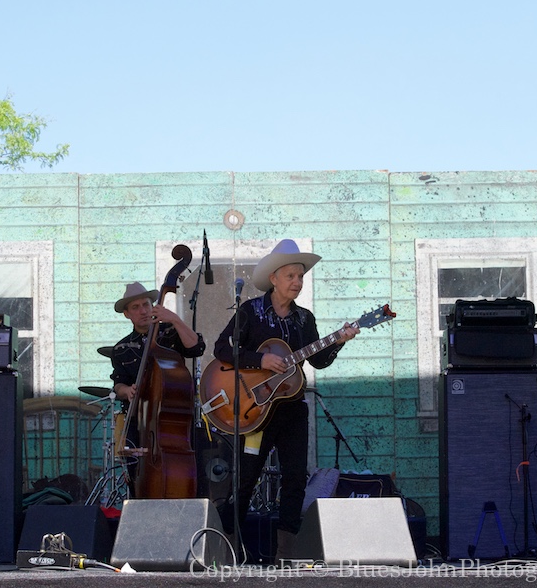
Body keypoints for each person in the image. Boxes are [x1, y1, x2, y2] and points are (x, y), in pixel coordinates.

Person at [212, 239, 358, 564]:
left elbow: (318, 361)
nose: (297, 282)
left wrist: (339, 342)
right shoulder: (250, 311)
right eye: (291, 275)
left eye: (301, 276)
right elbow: (221, 349)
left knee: (295, 478)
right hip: (255, 412)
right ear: (274, 278)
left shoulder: (304, 319)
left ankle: (285, 555)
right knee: (246, 477)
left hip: (292, 409)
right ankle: (229, 549)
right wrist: (258, 361)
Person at [110, 282, 205, 494]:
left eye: (146, 304)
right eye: (135, 307)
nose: (143, 310)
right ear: (127, 314)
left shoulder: (170, 331)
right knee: (137, 475)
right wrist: (127, 391)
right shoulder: (121, 348)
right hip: (140, 421)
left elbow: (196, 348)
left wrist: (174, 319)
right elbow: (118, 383)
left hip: (173, 419)